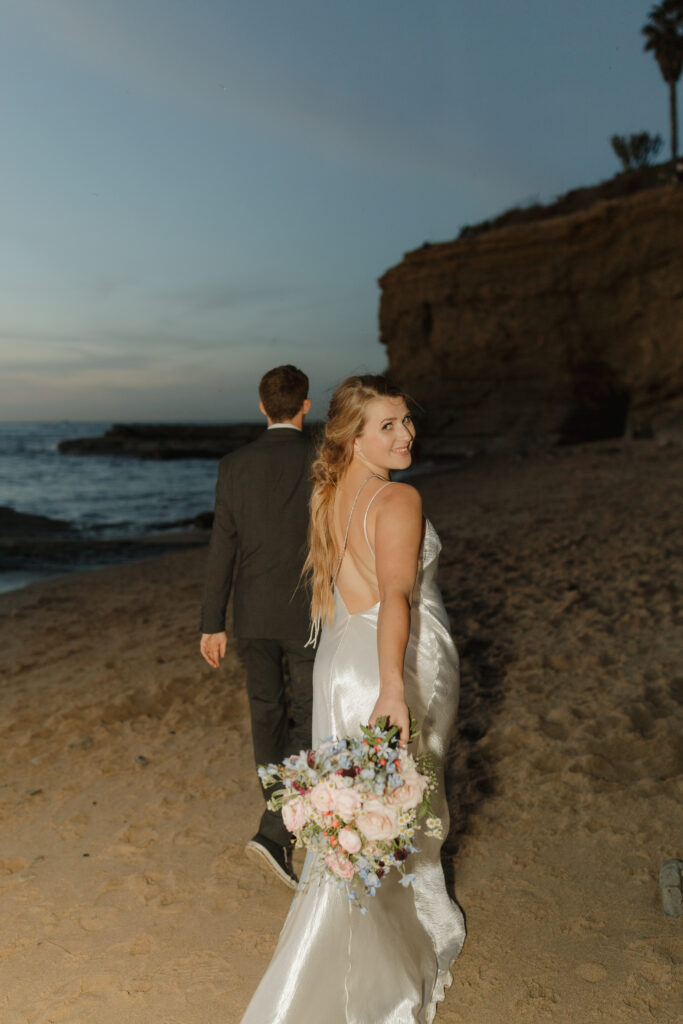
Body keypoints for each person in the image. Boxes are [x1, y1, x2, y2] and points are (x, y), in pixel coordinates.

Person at [239, 374, 466, 1023]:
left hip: (339, 660)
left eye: (406, 422)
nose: (406, 435)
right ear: (352, 435)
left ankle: (368, 916)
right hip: (386, 663)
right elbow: (396, 595)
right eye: (388, 426)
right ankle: (387, 947)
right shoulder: (396, 500)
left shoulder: (329, 490)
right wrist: (394, 688)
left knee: (357, 805)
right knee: (396, 799)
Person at [200, 364, 315, 890]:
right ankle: (280, 826)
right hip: (309, 610)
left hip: (250, 614)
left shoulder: (234, 465)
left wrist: (212, 624)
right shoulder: (323, 459)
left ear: (261, 406)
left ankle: (278, 821)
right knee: (310, 717)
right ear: (306, 405)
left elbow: (222, 545)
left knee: (267, 714)